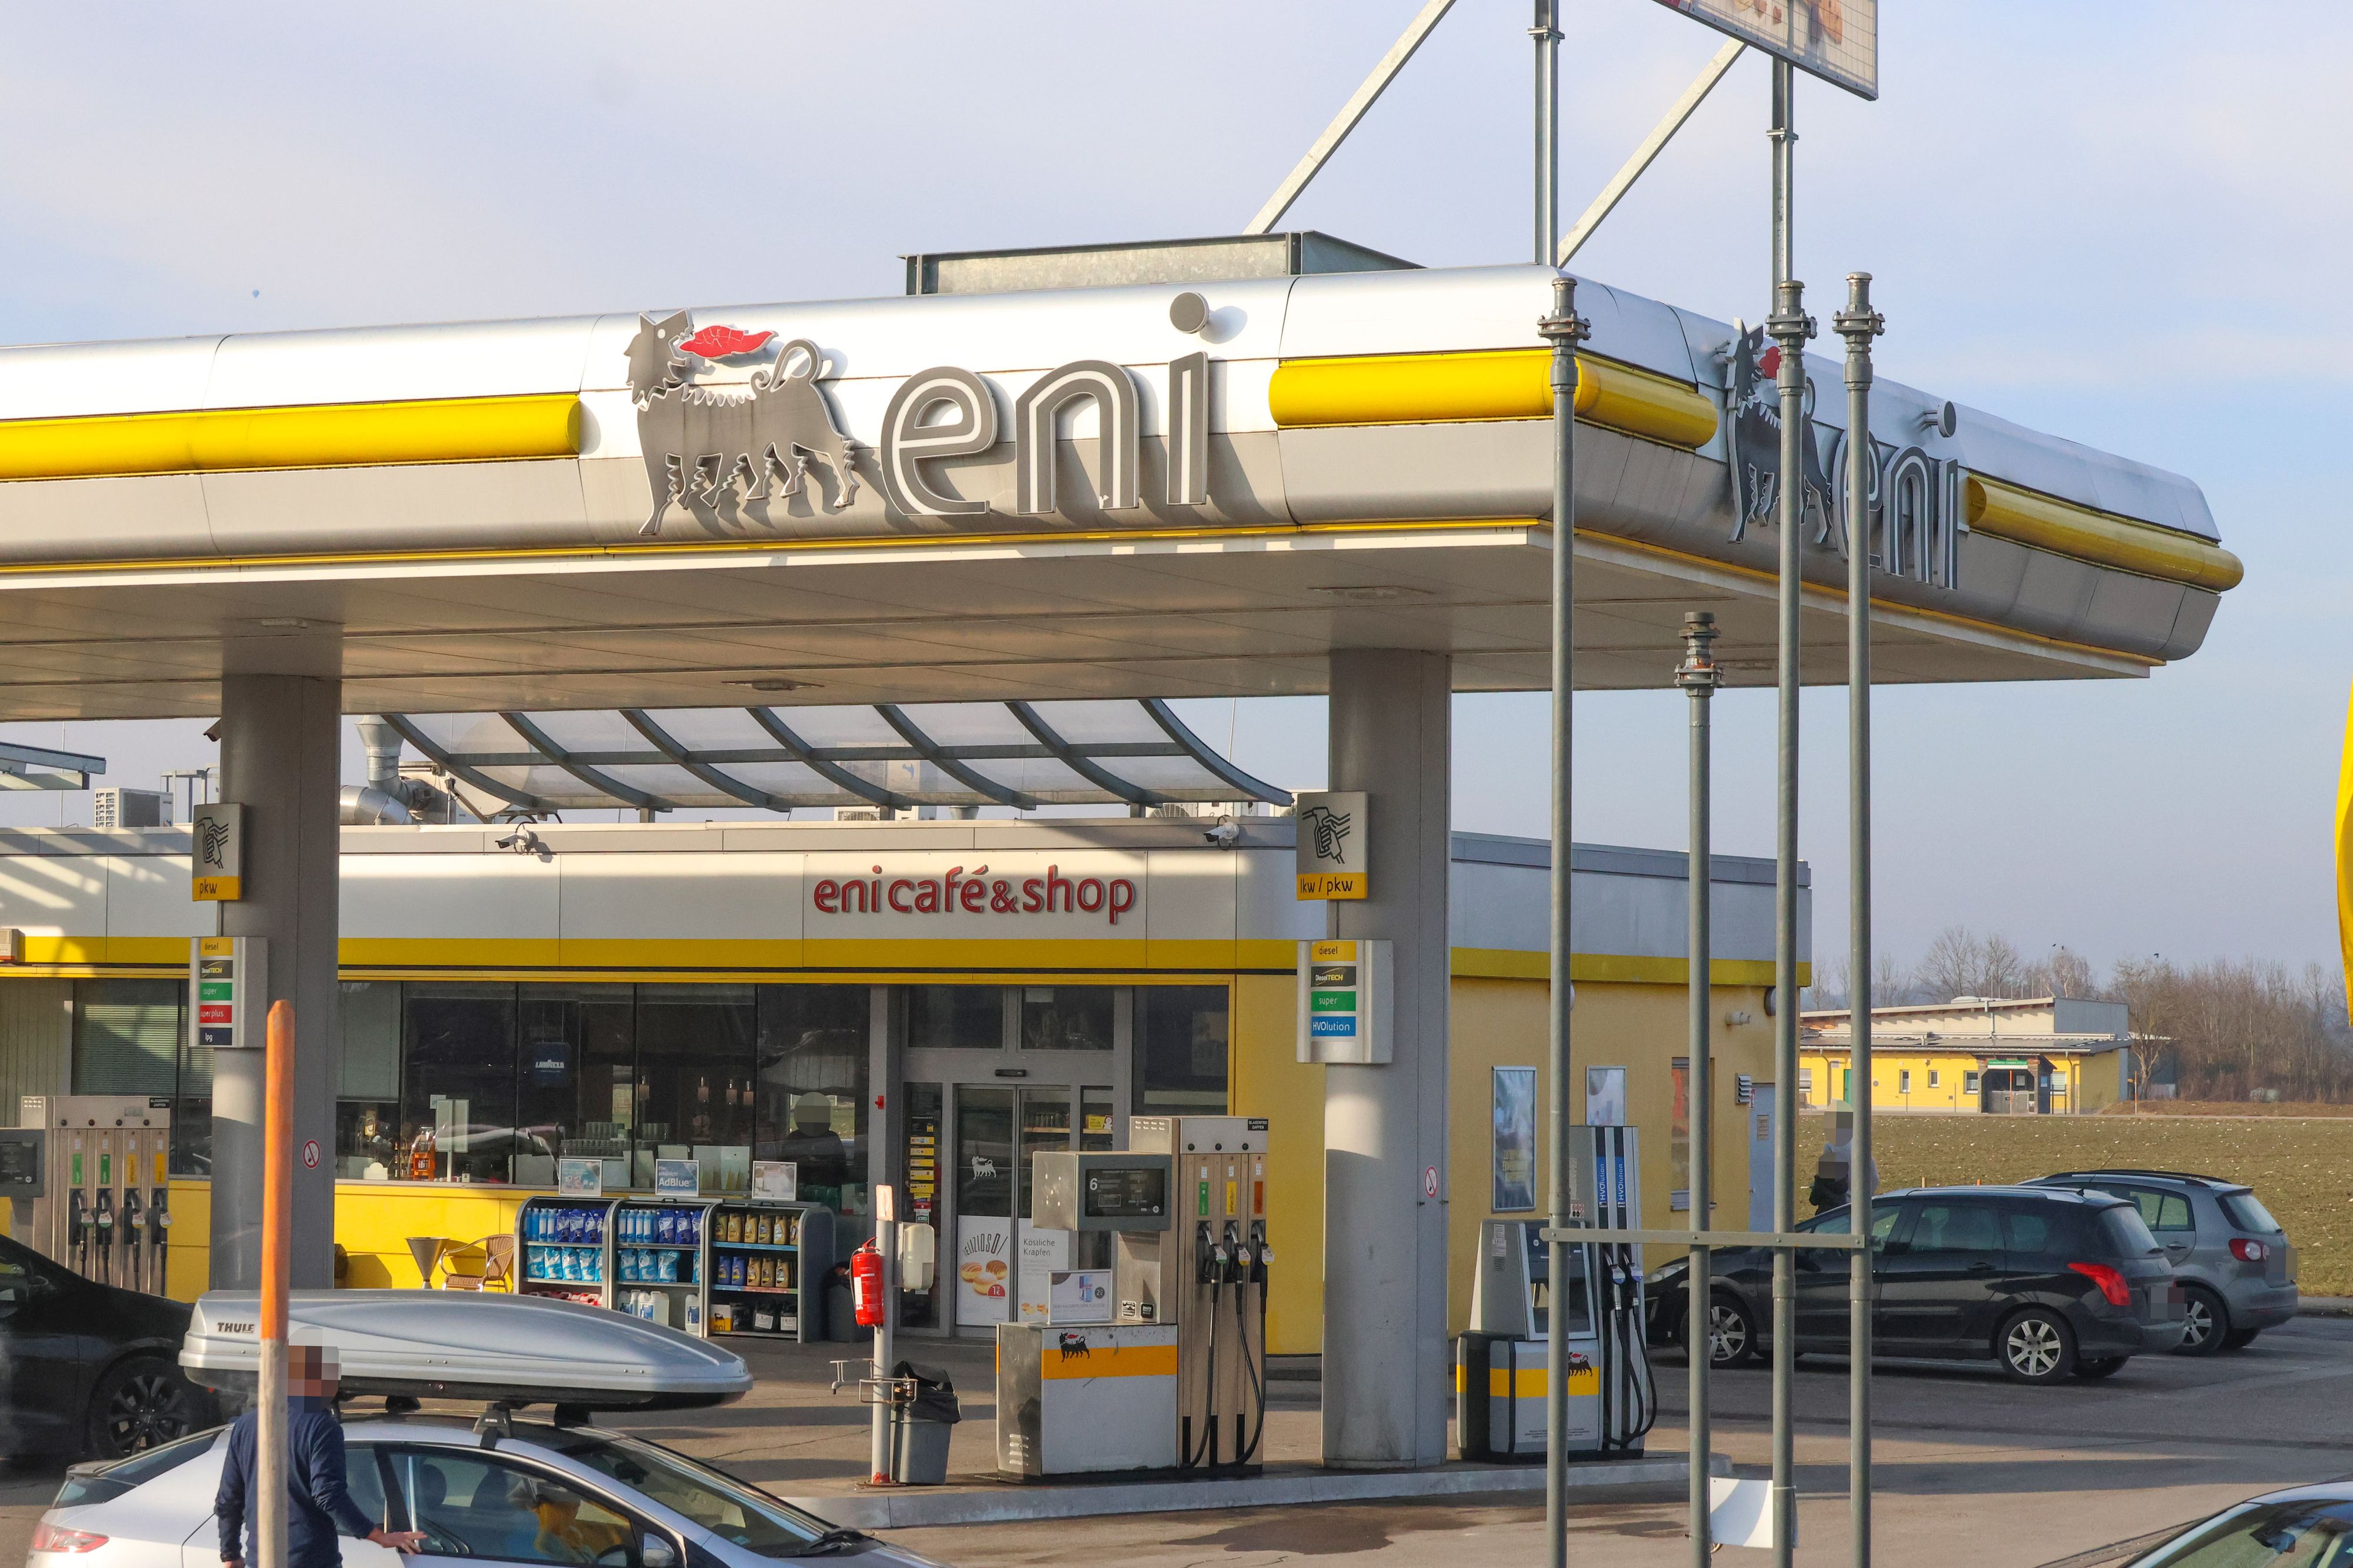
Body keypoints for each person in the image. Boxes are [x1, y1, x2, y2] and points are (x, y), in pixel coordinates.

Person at [217, 1345, 425, 1568]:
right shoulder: (323, 1427)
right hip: (310, 1559)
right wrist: (380, 1536)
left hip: (261, 1560)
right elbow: (328, 1494)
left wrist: (230, 1554)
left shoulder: (246, 1425)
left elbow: (229, 1498)